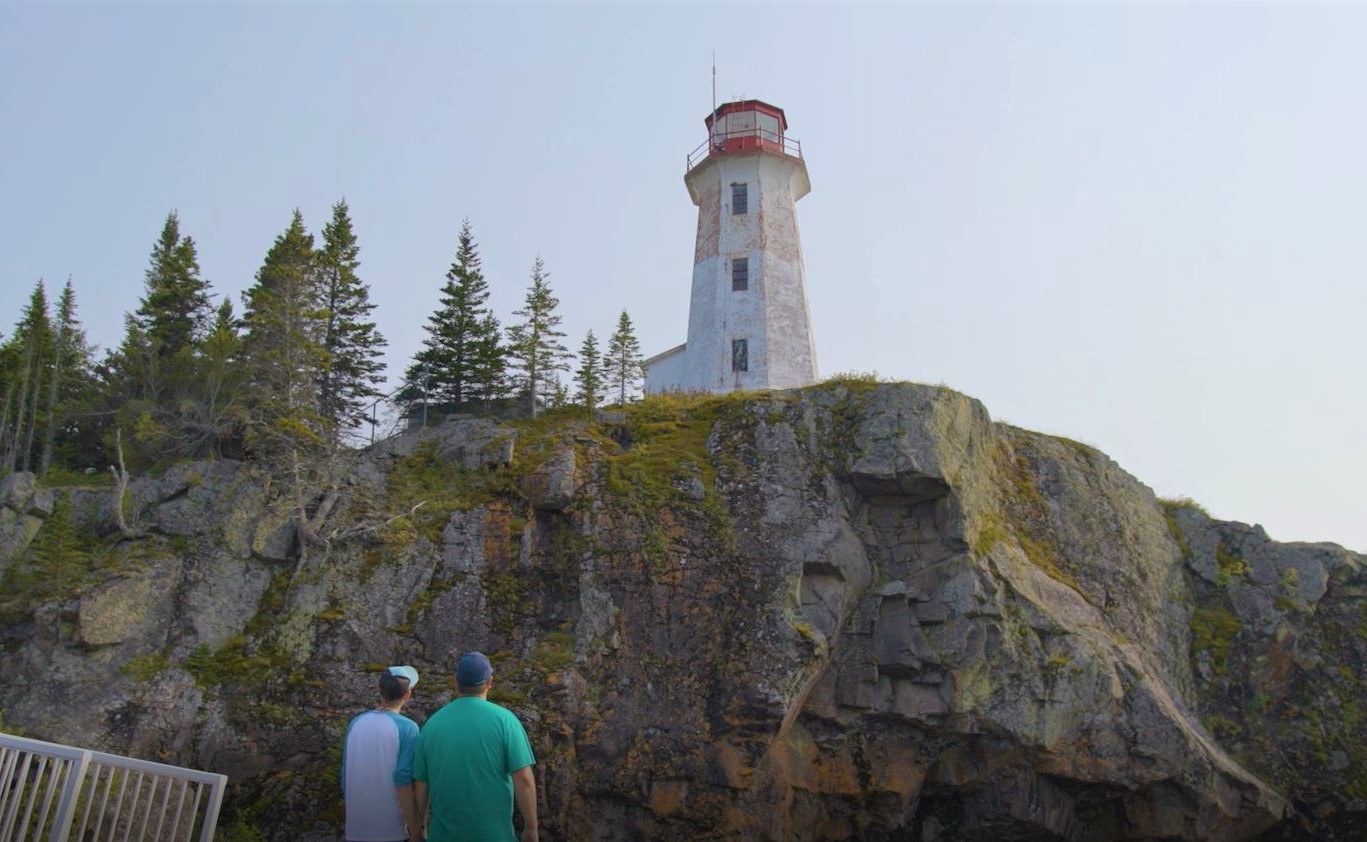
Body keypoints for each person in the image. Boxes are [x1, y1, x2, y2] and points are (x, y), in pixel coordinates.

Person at [414, 652, 538, 842]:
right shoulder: (506, 721)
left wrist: (419, 830)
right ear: (489, 682)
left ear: (456, 681)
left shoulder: (431, 725)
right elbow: (524, 779)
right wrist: (531, 828)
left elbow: (421, 785)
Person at [341, 665, 422, 842]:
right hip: (390, 830)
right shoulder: (408, 728)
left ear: (380, 691)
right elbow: (403, 780)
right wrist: (416, 830)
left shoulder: (356, 723)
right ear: (407, 695)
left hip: (356, 830)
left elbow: (345, 777)